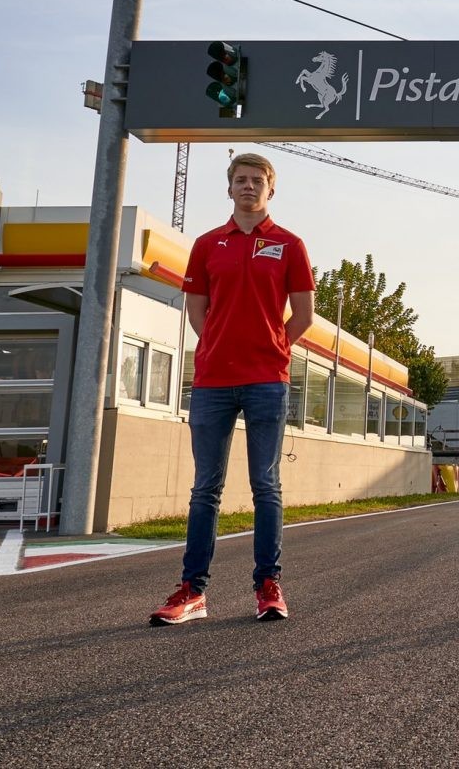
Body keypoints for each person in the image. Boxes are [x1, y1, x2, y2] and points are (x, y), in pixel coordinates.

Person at [150, 153, 315, 625]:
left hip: (268, 380)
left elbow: (302, 316)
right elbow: (197, 310)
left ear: (270, 189)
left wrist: (272, 346)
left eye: (257, 180)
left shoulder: (290, 245)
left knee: (266, 485)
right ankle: (192, 592)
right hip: (212, 382)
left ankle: (268, 587)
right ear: (229, 188)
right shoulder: (206, 245)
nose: (248, 186)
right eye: (240, 180)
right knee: (206, 489)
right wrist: (220, 346)